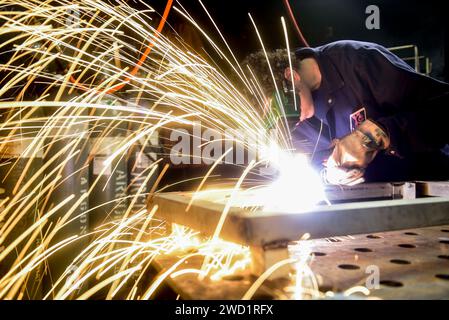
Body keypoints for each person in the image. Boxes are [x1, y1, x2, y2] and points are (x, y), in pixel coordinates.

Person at [247, 40, 449, 185]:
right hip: (373, 211)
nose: (295, 122)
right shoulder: (294, 125)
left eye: (281, 110)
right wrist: (329, 176)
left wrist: (374, 136)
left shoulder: (358, 62)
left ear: (291, 77)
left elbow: (442, 108)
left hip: (430, 188)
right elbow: (315, 164)